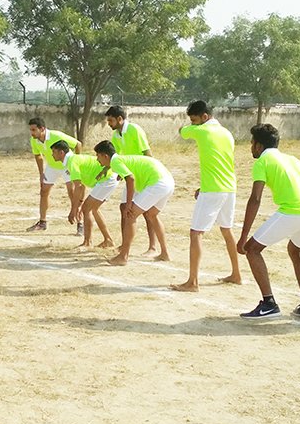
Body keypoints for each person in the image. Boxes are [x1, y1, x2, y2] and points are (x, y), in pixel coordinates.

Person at [236, 123, 300, 320]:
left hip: (293, 211)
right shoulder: (294, 160)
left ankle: (269, 303)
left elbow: (255, 199)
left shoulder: (262, 161)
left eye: (252, 143)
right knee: (296, 251)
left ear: (259, 146)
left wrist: (243, 237)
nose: (251, 147)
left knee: (252, 249)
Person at [171, 101, 241, 291]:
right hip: (229, 187)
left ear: (204, 116)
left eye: (194, 120)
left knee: (196, 233)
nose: (193, 124)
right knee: (227, 230)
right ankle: (236, 274)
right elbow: (218, 161)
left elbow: (182, 132)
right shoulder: (226, 133)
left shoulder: (201, 131)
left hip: (213, 189)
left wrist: (190, 127)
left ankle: (192, 282)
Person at [94, 142, 174, 266]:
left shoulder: (115, 162)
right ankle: (165, 253)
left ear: (105, 156)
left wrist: (128, 204)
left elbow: (130, 179)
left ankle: (123, 256)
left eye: (98, 156)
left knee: (130, 216)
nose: (97, 159)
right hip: (168, 182)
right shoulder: (121, 160)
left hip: (157, 183)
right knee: (152, 215)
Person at [106, 104, 159, 255]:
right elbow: (117, 156)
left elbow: (147, 152)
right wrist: (119, 172)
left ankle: (153, 247)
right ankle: (125, 245)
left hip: (145, 175)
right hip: (131, 176)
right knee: (124, 208)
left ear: (120, 119)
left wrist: (151, 173)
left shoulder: (135, 129)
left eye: (110, 121)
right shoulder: (116, 135)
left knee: (148, 212)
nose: (109, 124)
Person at [51, 141, 117, 249]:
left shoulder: (72, 162)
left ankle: (88, 242)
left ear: (61, 153)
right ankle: (108, 240)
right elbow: (81, 186)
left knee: (87, 209)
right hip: (108, 179)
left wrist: (74, 209)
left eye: (54, 152)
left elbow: (78, 187)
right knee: (93, 209)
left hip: (107, 179)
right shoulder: (72, 160)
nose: (52, 155)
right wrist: (78, 205)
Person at [27, 117, 82, 234]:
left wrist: (76, 163)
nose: (31, 133)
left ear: (42, 129)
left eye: (34, 130)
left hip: (67, 166)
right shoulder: (34, 140)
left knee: (72, 193)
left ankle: (80, 223)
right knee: (44, 191)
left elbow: (78, 144)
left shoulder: (56, 135)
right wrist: (41, 173)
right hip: (52, 166)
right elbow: (38, 155)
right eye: (30, 130)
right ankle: (42, 222)